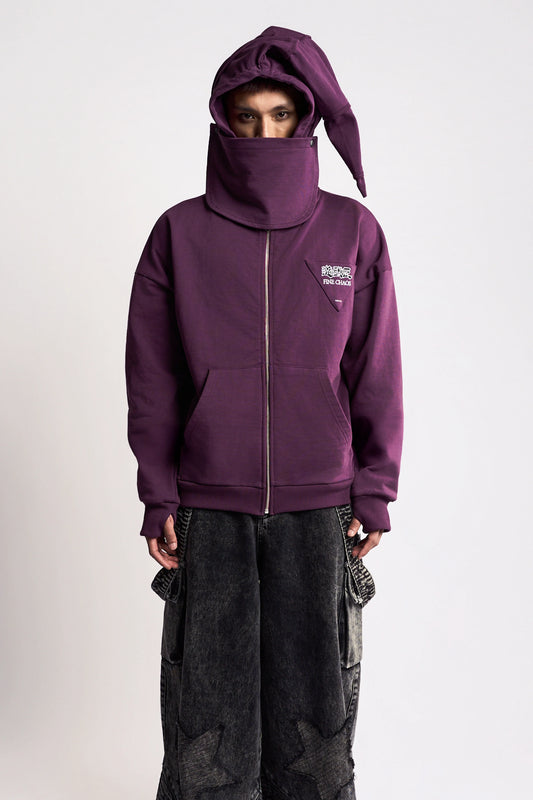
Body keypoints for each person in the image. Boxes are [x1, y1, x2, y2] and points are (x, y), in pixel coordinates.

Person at [125, 25, 403, 800]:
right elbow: (152, 377)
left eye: (281, 115)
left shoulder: (352, 231)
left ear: (306, 119)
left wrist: (375, 486)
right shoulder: (179, 232)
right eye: (247, 116)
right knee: (207, 725)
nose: (264, 132)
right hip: (208, 507)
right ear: (223, 121)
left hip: (322, 507)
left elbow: (374, 369)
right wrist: (159, 495)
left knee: (316, 724)